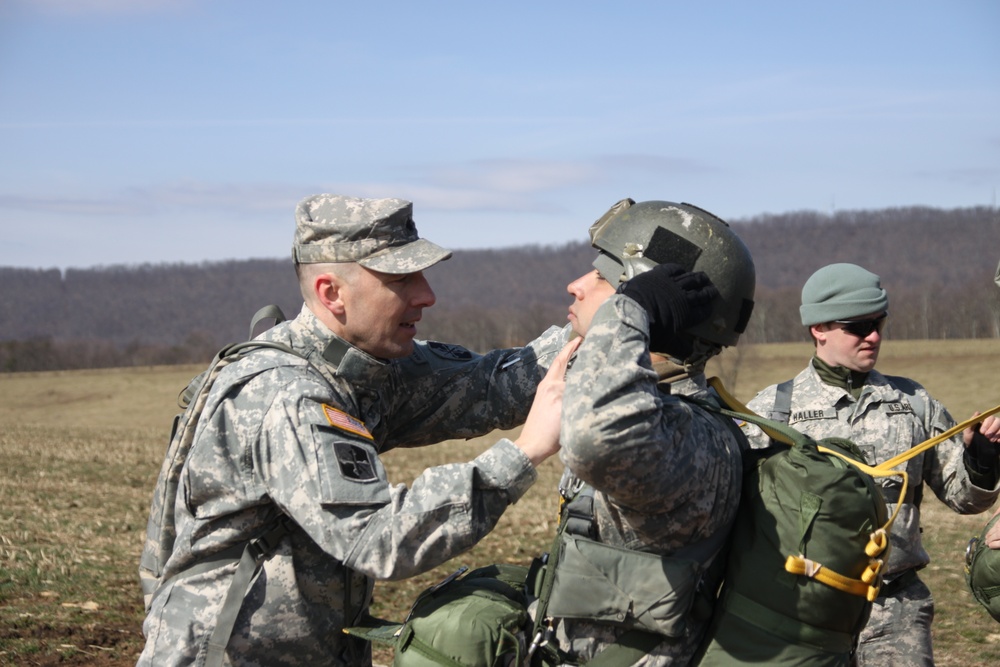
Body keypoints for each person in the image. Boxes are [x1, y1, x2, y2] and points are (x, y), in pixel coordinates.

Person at [137, 194, 576, 666]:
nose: (427, 295)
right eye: (401, 279)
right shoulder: (288, 395)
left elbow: (493, 385)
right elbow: (379, 538)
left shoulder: (363, 366)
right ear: (332, 293)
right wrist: (524, 453)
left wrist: (603, 321)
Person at [741, 262, 1000, 666]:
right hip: (802, 609)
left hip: (896, 609)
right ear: (819, 328)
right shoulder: (774, 412)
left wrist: (981, 460)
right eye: (858, 327)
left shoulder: (913, 403)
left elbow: (964, 500)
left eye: (879, 323)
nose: (874, 336)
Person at [536, 198, 756, 665]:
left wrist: (628, 310)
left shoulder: (694, 434)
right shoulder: (653, 407)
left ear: (655, 303)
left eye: (602, 276)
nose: (575, 285)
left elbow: (595, 440)